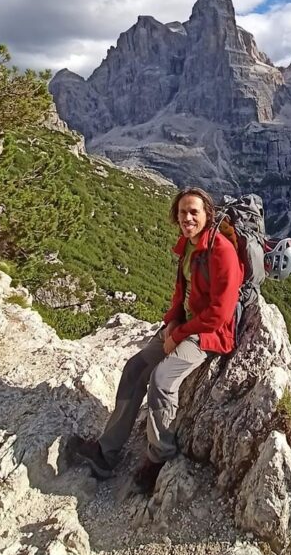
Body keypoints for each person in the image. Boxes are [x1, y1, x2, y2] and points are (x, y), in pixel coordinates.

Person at [67, 187, 243, 493]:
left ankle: (159, 458)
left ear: (207, 215)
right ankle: (105, 453)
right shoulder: (188, 246)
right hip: (186, 325)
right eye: (182, 212)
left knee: (162, 379)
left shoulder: (222, 251)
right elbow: (182, 292)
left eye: (193, 212)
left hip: (209, 334)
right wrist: (172, 320)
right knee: (135, 368)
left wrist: (178, 334)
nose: (187, 218)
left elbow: (220, 312)